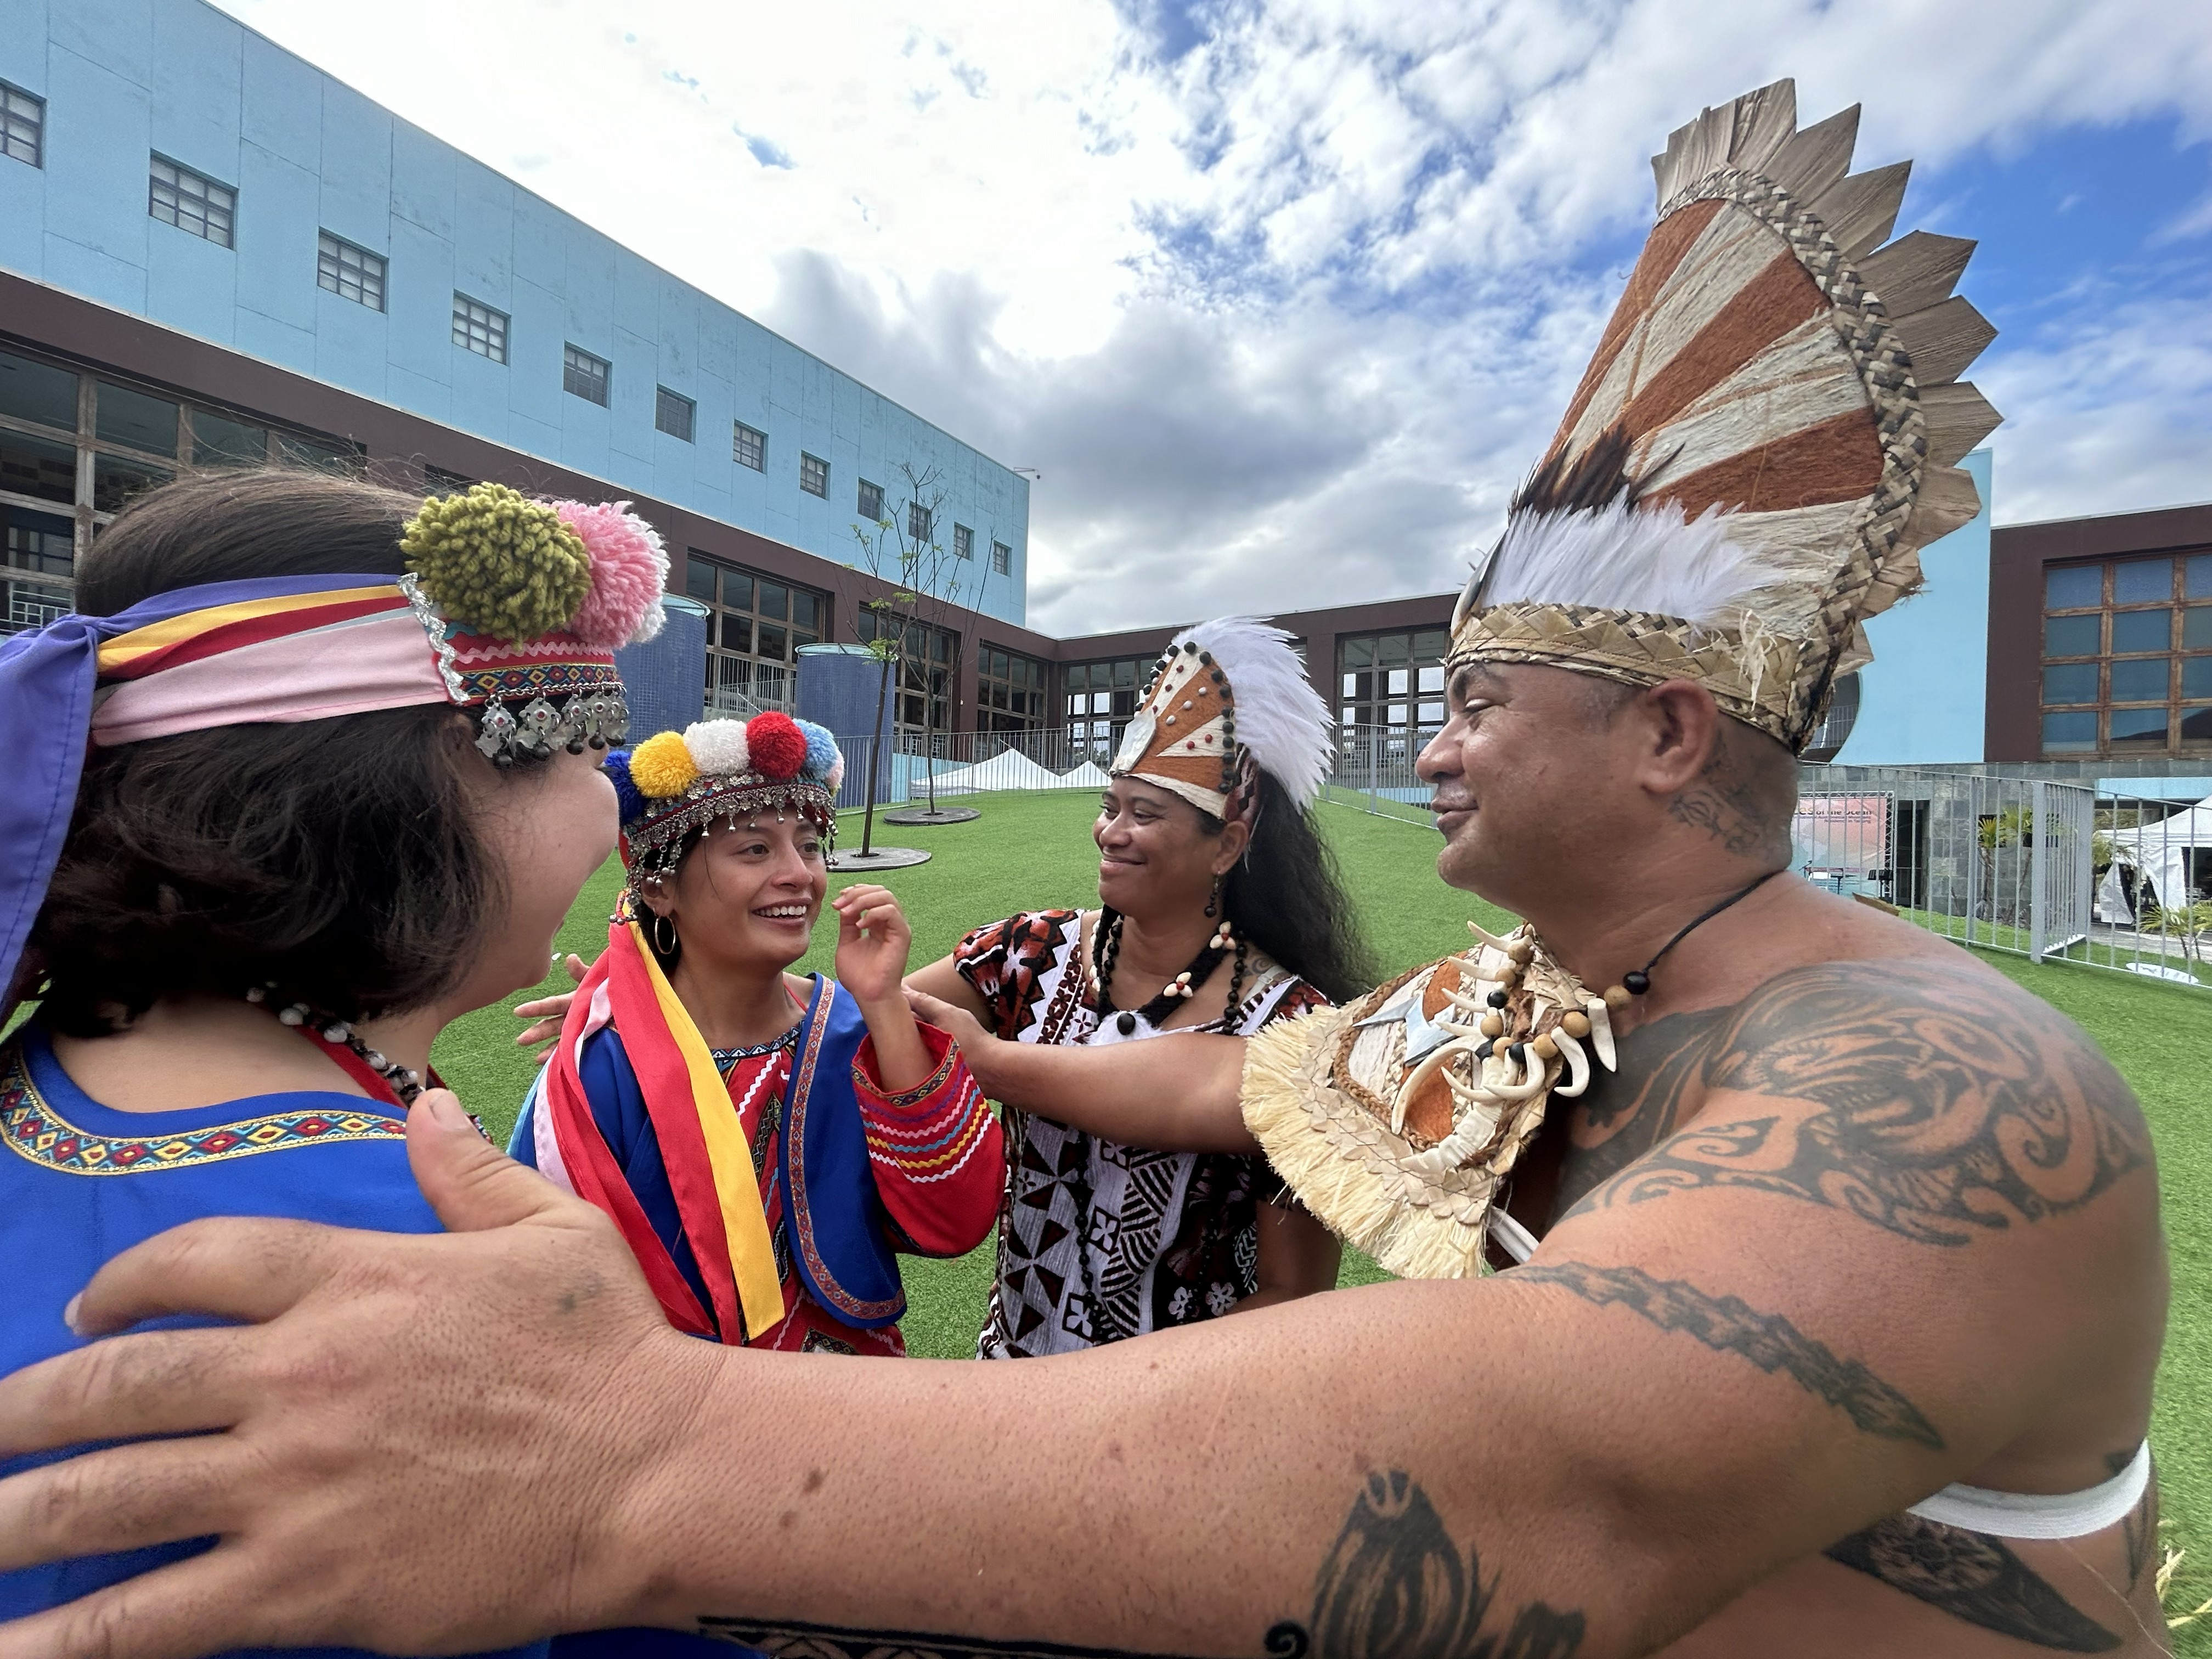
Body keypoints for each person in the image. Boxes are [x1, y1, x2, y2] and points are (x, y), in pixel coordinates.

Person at [0, 79, 2170, 1659]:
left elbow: (1550, 1486)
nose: (1443, 741)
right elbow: (1224, 1088)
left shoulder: (1953, 1078)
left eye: (1489, 696)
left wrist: (635, 1459)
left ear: (1678, 733)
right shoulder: (1538, 1012)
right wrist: (944, 1035)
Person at [0, 467, 664, 1658]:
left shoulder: (40, 1076)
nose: (611, 812)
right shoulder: (432, 1268)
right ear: (429, 782)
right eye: (578, 747)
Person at [904, 618, 1357, 1353]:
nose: (1111, 833)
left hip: (1174, 1420)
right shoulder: (1031, 952)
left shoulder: (1297, 1027)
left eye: (1144, 814)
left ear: (1229, 846)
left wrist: (1120, 1400)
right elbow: (880, 1024)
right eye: (1109, 807)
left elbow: (1293, 1294)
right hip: (1008, 1385)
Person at [510, 710, 1002, 1361]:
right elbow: (544, 1295)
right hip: (675, 1417)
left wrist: (883, 1003)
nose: (799, 873)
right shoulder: (603, 1068)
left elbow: (955, 1219)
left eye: (809, 844)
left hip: (852, 1404)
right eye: (755, 848)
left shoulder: (853, 1031)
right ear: (659, 887)